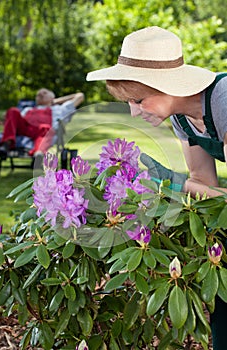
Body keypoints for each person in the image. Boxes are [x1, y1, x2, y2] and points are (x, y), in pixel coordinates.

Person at [86, 26, 227, 349]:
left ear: (166, 85)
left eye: (138, 100)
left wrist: (174, 183)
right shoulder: (181, 116)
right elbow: (205, 185)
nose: (134, 112)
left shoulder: (223, 100)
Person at [0, 88, 84, 164]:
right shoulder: (27, 109)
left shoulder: (60, 109)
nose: (40, 93)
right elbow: (12, 120)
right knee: (13, 111)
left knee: (46, 128)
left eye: (44, 93)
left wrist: (54, 101)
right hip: (25, 129)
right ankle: (5, 145)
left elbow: (80, 96)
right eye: (38, 94)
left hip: (42, 132)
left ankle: (39, 154)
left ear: (52, 98)